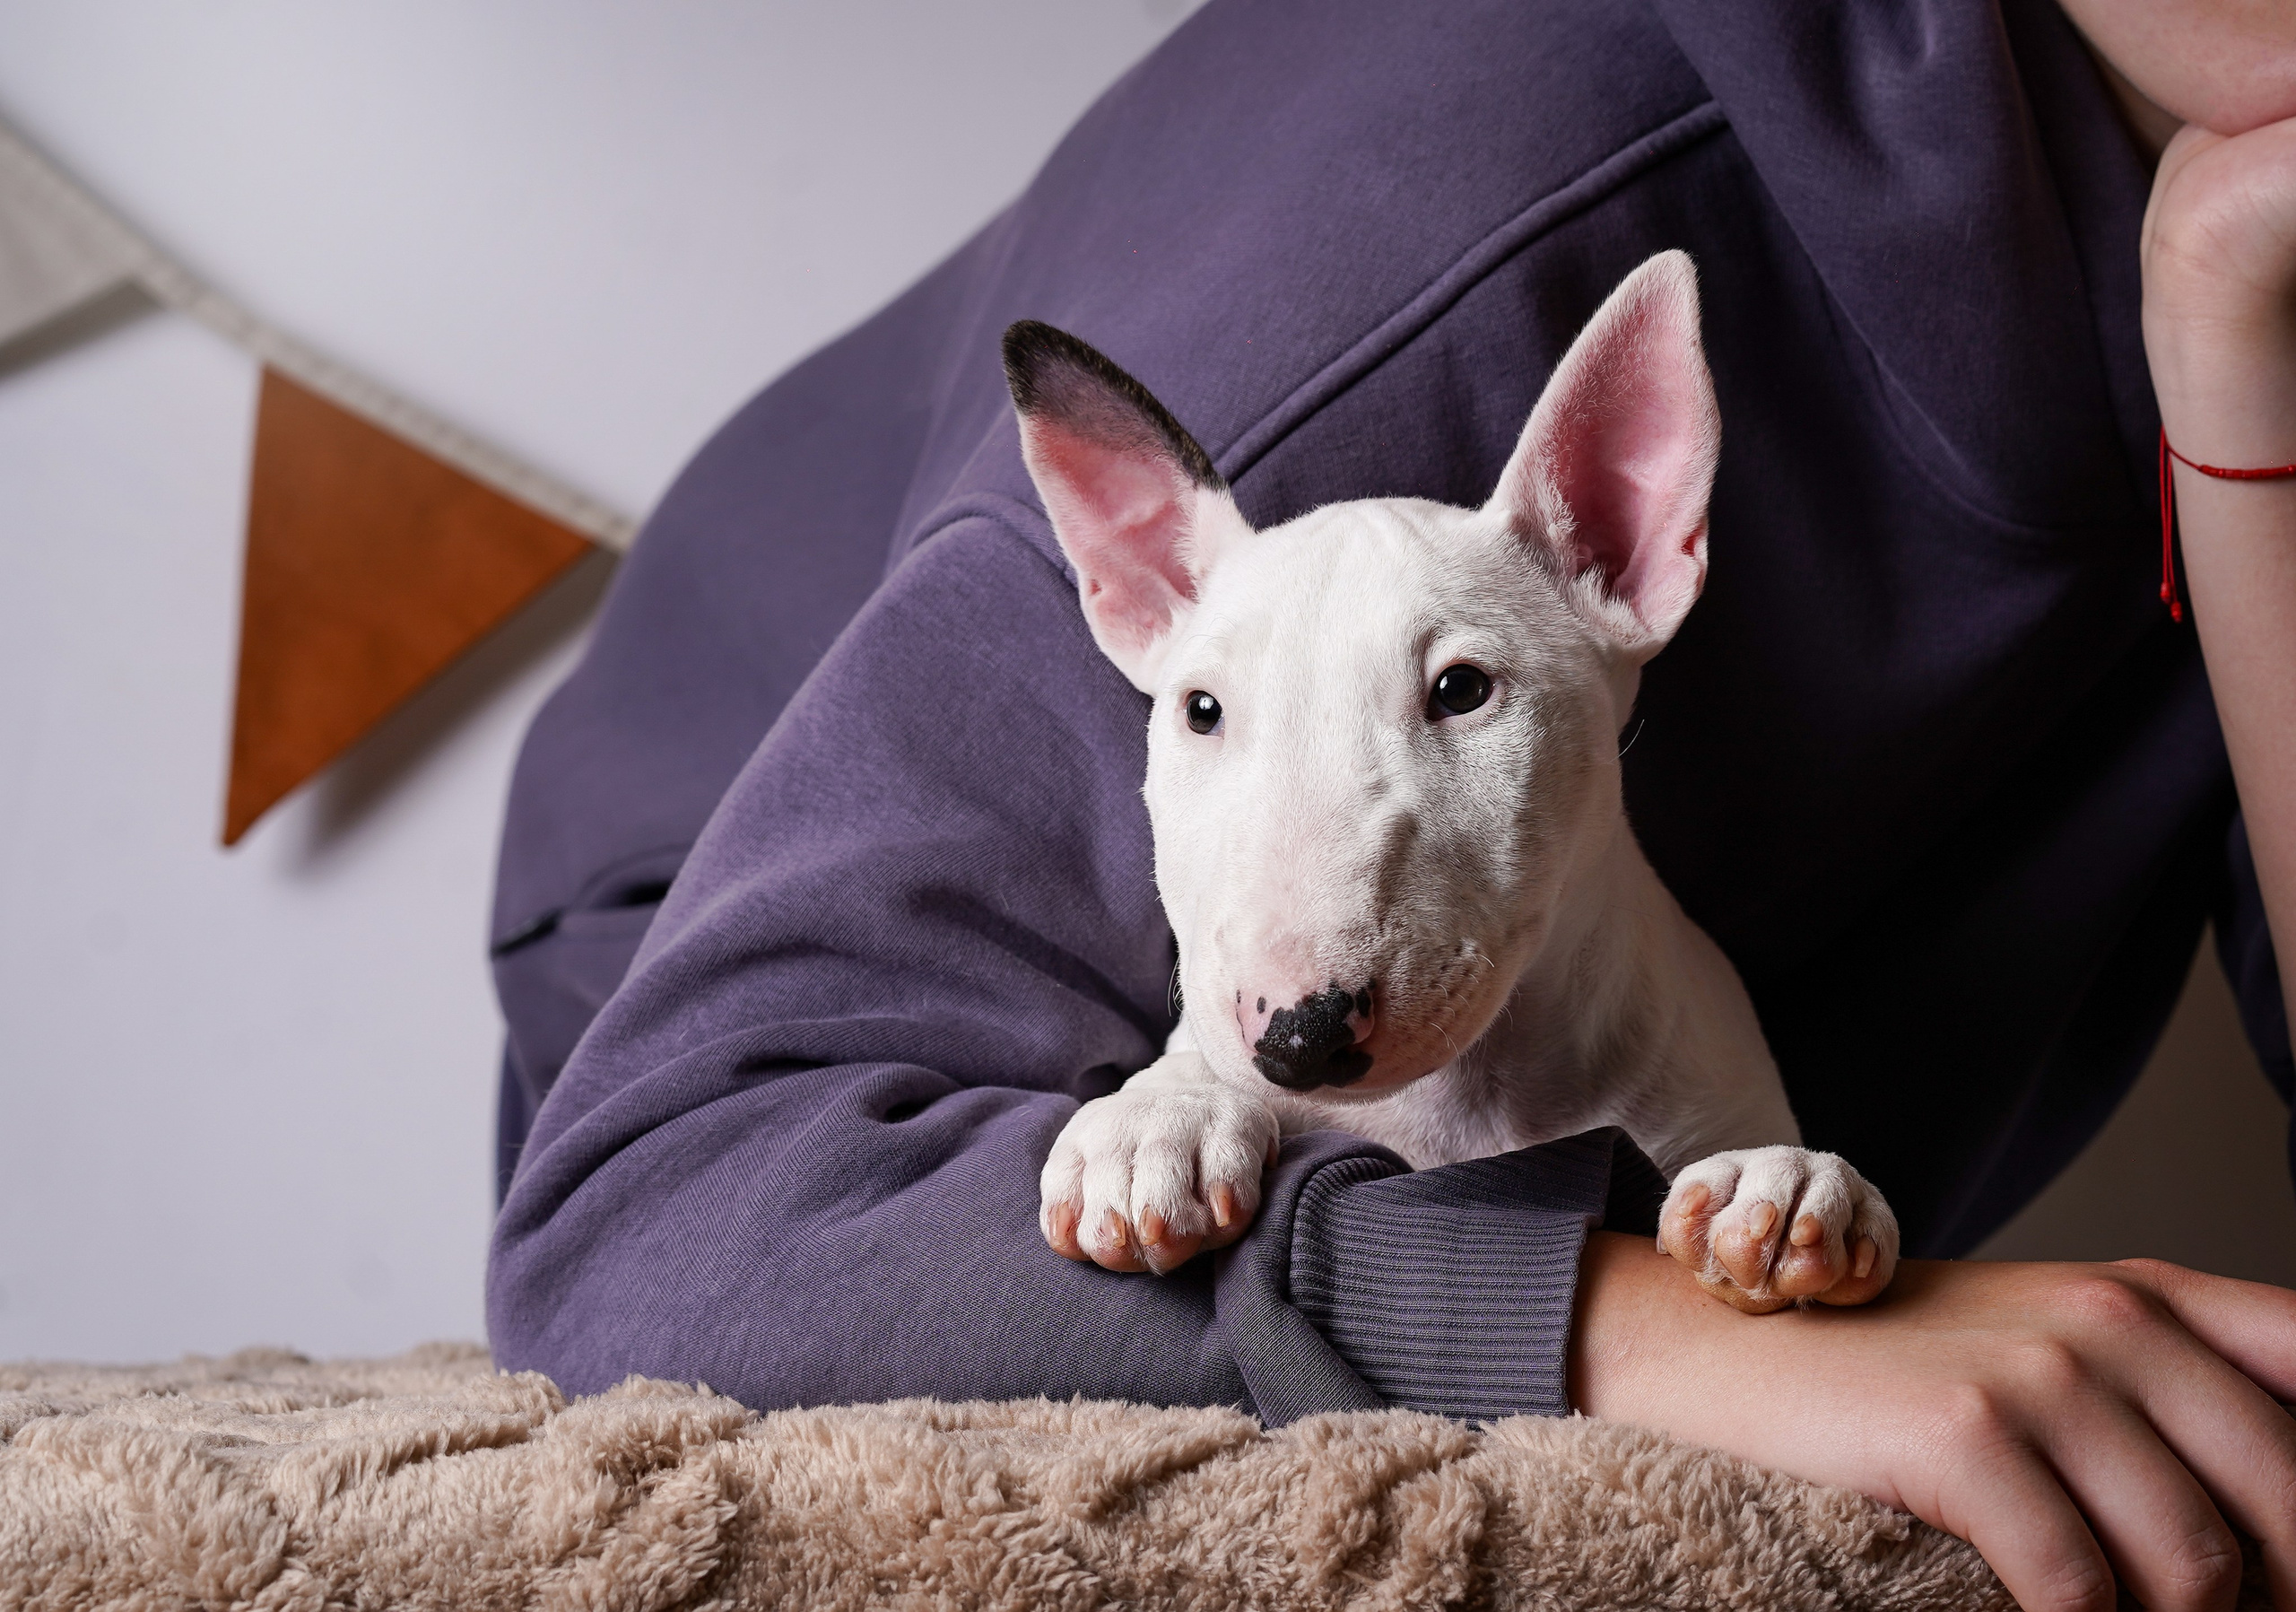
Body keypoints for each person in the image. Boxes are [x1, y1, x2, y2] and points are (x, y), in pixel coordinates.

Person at [485, 1, 2296, 1606]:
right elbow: (647, 1225)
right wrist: (1607, 1323)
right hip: (746, 1042)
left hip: (1658, 1138)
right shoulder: (1400, 285)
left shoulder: (2244, 252)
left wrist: (2239, 393)